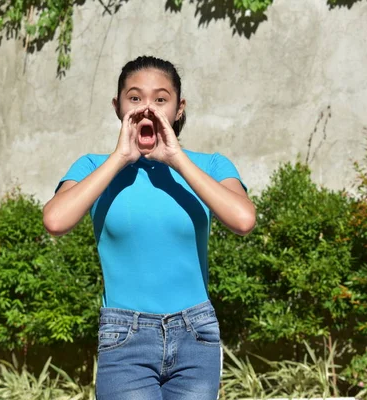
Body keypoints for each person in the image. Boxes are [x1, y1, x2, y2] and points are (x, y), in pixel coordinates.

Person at [43, 55, 256, 400]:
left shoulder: (210, 165)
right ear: (118, 106)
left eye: (160, 99)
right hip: (124, 337)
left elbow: (243, 220)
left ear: (179, 108)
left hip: (196, 335)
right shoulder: (94, 167)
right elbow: (55, 221)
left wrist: (176, 159)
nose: (148, 108)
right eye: (135, 98)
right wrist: (120, 158)